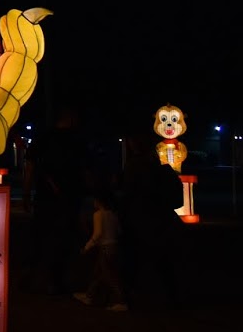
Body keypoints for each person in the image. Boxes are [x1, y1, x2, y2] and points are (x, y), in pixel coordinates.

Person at [25, 106, 91, 295]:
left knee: (43, 237)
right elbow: (85, 171)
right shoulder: (77, 141)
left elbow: (30, 166)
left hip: (46, 198)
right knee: (65, 239)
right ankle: (57, 280)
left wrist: (27, 193)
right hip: (70, 197)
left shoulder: (43, 139)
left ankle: (38, 278)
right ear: (70, 118)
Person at [119, 132, 187, 308]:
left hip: (140, 219)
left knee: (135, 259)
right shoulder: (162, 168)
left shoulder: (134, 166)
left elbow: (128, 193)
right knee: (163, 260)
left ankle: (129, 296)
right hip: (161, 219)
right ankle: (173, 297)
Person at [75, 191, 128, 311]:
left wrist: (86, 247)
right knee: (98, 272)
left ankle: (121, 301)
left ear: (99, 202)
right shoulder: (113, 214)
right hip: (113, 247)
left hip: (104, 248)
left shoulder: (98, 215)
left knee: (109, 276)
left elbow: (98, 234)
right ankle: (90, 295)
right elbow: (119, 231)